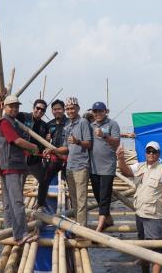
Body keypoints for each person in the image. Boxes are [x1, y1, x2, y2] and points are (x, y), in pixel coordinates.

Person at [116, 141, 162, 273]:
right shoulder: (139, 166)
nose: (151, 154)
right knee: (143, 245)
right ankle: (145, 268)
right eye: (148, 151)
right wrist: (121, 158)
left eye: (154, 152)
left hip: (154, 216)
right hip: (140, 213)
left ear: (159, 154)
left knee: (157, 250)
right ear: (145, 153)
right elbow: (126, 171)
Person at [0, 95, 39, 245]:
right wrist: (33, 146)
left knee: (9, 202)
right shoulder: (4, 122)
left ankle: (10, 230)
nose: (14, 109)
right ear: (4, 107)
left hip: (13, 165)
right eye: (11, 106)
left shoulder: (14, 122)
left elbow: (16, 145)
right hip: (11, 166)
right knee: (17, 202)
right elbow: (16, 141)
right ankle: (21, 234)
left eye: (16, 107)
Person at [45, 97, 92, 227]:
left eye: (72, 108)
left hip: (81, 166)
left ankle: (81, 230)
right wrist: (52, 150)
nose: (70, 111)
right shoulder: (68, 126)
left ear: (77, 108)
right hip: (70, 166)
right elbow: (66, 147)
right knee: (74, 200)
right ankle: (78, 226)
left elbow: (89, 143)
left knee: (81, 200)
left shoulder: (83, 122)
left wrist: (78, 142)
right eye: (68, 109)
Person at [89, 102, 120, 232]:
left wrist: (104, 136)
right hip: (93, 167)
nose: (97, 114)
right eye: (95, 112)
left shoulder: (113, 124)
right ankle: (108, 220)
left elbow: (117, 142)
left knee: (105, 196)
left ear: (106, 111)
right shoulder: (90, 126)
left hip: (107, 167)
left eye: (100, 111)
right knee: (97, 196)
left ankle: (100, 226)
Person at [34, 99, 68, 211]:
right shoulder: (49, 125)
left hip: (68, 159)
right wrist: (46, 140)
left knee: (71, 183)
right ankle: (40, 202)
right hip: (54, 158)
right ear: (52, 111)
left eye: (59, 109)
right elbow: (43, 143)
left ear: (64, 110)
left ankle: (74, 205)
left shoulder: (69, 123)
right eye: (54, 109)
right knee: (44, 180)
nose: (57, 111)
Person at [17, 99, 48, 186]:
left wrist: (47, 144)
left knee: (44, 181)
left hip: (35, 160)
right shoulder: (22, 116)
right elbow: (8, 116)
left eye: (43, 110)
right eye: (38, 108)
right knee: (19, 186)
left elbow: (45, 143)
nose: (40, 111)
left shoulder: (44, 125)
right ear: (33, 108)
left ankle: (41, 199)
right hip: (21, 159)